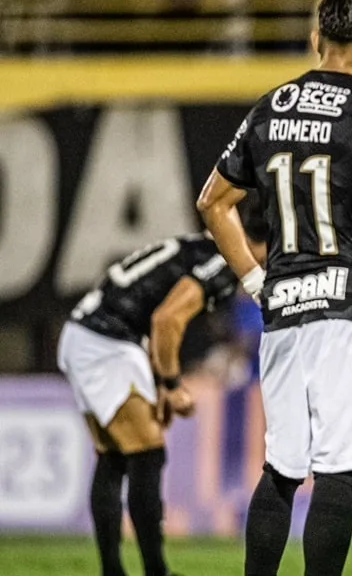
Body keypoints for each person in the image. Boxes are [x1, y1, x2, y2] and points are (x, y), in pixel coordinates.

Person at [196, 0, 352, 576]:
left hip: (284, 309)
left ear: (315, 39)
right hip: (349, 308)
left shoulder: (269, 109)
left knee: (281, 468)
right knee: (337, 470)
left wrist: (256, 281)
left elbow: (213, 203)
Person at [58, 224, 265, 576]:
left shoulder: (196, 247)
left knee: (114, 456)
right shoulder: (220, 261)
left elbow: (152, 311)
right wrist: (170, 385)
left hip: (93, 334)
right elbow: (166, 320)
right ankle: (155, 570)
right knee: (147, 454)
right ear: (252, 240)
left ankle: (114, 570)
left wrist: (157, 381)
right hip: (106, 342)